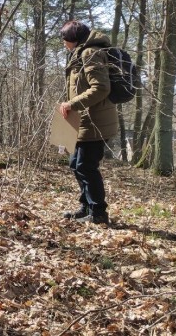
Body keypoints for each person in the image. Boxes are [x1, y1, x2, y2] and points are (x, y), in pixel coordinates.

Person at [58, 20, 119, 224]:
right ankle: (86, 206)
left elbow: (101, 88)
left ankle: (98, 213)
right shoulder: (81, 53)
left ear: (73, 39)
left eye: (65, 39)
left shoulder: (90, 53)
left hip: (96, 121)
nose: (64, 43)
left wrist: (72, 104)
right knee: (76, 164)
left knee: (85, 165)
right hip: (83, 120)